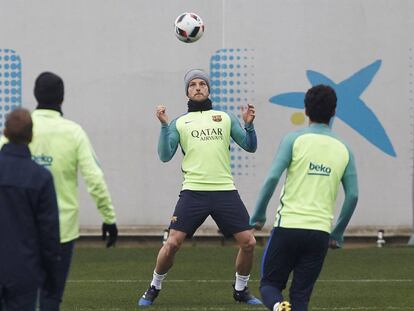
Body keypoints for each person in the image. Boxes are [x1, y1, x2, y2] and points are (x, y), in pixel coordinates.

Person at [138, 69, 261, 306]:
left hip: (225, 190)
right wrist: (164, 126)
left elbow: (250, 146)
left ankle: (241, 289)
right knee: (172, 243)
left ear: (208, 89)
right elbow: (165, 155)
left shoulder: (225, 118)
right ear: (187, 91)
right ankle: (154, 286)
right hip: (193, 191)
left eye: (202, 84)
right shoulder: (179, 123)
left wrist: (249, 125)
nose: (198, 87)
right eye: (193, 84)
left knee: (249, 242)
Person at [1, 72, 119, 310]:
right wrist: (108, 218)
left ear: (35, 94)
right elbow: (94, 178)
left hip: (15, 230)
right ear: (62, 98)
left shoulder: (18, 127)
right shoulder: (74, 132)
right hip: (61, 230)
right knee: (51, 296)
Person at [250, 85, 358, 311]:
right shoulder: (344, 148)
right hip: (319, 233)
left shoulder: (293, 139)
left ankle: (279, 307)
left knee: (270, 285)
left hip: (287, 227)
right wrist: (337, 232)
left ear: (306, 111)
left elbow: (271, 179)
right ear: (334, 112)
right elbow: (353, 196)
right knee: (300, 297)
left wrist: (259, 214)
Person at [0, 108, 60, 310]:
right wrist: (52, 275)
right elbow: (49, 234)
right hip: (23, 270)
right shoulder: (40, 177)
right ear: (31, 135)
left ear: (5, 132)